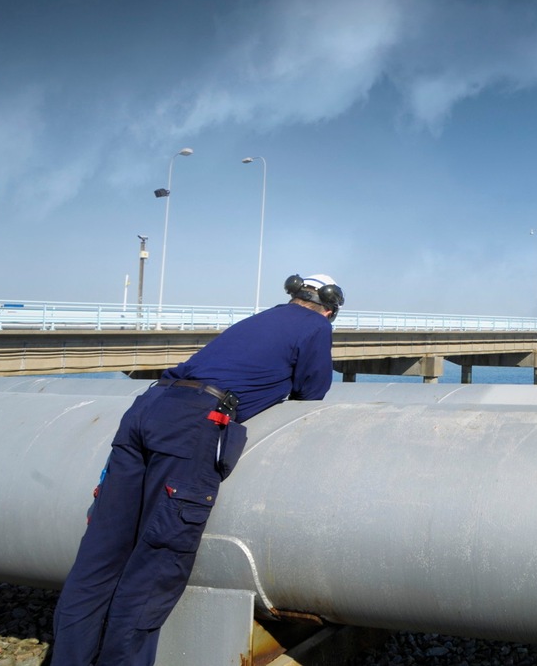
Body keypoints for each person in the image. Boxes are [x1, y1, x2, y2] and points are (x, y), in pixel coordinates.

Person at [50, 273, 345, 666]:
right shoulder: (315, 325)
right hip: (191, 426)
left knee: (100, 555)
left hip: (148, 407)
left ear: (294, 296)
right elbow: (312, 391)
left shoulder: (263, 318)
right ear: (329, 308)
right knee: (156, 561)